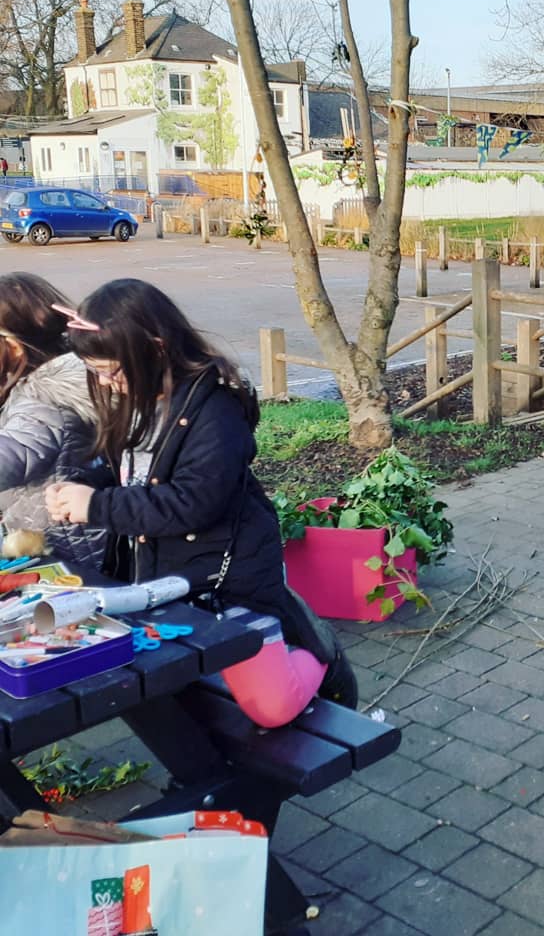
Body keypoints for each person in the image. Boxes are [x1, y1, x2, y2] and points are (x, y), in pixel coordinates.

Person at [44, 279, 357, 719]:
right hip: (169, 577)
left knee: (271, 708)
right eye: (95, 372)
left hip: (233, 579)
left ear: (154, 349)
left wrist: (96, 506)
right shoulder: (137, 399)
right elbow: (130, 472)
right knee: (173, 693)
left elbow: (192, 502)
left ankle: (321, 659)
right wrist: (84, 484)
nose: (107, 384)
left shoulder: (216, 411)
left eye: (112, 370)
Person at [0, 273, 107, 575]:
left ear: (15, 346)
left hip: (70, 550)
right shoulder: (25, 387)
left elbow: (15, 454)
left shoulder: (45, 397)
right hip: (45, 538)